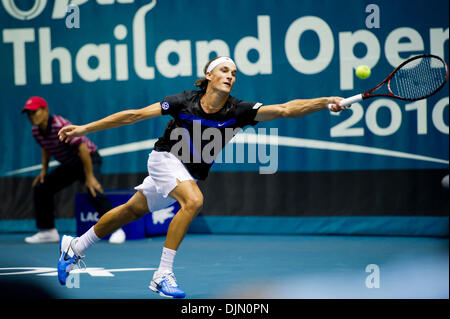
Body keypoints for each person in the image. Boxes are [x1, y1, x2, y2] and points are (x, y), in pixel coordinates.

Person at [57, 56, 347, 298]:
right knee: (193, 200)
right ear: (208, 74)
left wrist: (324, 101)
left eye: (234, 73)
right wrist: (84, 129)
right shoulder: (183, 101)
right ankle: (162, 275)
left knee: (132, 211)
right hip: (164, 159)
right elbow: (133, 115)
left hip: (185, 171)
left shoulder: (239, 110)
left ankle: (75, 245)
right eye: (224, 70)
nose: (230, 76)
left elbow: (285, 110)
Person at [22, 96, 126, 244]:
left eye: (34, 112)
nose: (31, 116)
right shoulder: (36, 131)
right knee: (42, 187)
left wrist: (89, 176)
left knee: (93, 189)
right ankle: (48, 231)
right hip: (70, 164)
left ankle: (116, 229)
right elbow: (46, 147)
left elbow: (82, 148)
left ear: (45, 111)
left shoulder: (60, 125)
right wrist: (44, 170)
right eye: (29, 114)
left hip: (88, 158)